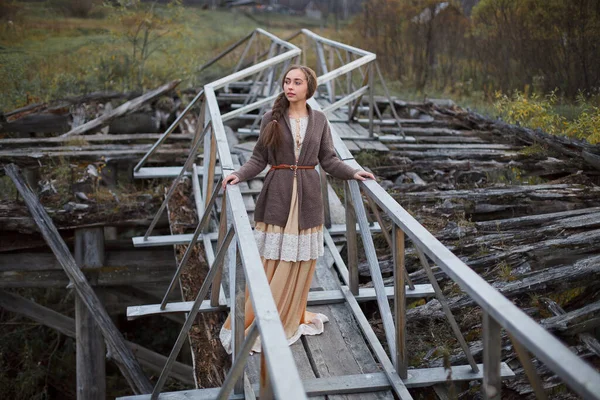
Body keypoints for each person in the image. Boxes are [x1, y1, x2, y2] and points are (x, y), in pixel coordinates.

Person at [219, 64, 375, 354]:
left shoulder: (319, 120)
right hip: (277, 196)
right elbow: (258, 159)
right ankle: (263, 318)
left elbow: (328, 159)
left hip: (307, 199)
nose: (290, 86)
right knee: (274, 262)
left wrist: (354, 172)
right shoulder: (271, 118)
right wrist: (238, 175)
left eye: (297, 82)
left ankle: (289, 315)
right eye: (287, 81)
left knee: (301, 262)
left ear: (308, 88)